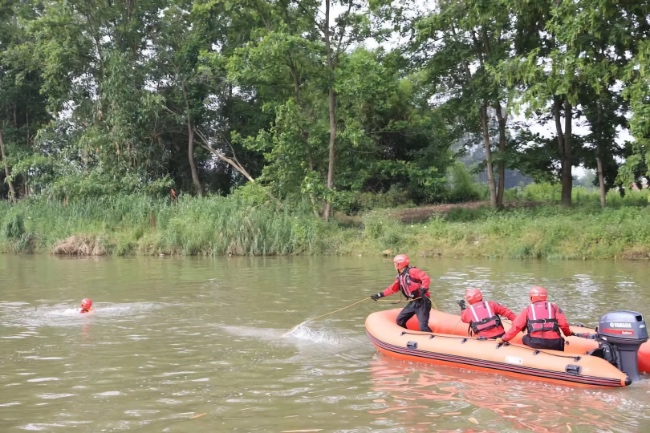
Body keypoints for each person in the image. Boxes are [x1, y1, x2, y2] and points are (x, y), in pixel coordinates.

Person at [496, 286, 573, 351]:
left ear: (532, 297)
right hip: (555, 343)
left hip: (536, 342)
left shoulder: (528, 309)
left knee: (524, 338)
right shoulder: (555, 308)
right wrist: (568, 333)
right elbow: (563, 325)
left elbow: (516, 327)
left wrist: (503, 339)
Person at [370, 254, 432, 332]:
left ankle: (433, 340)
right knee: (400, 321)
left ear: (399, 264)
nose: (394, 265)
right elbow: (392, 289)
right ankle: (407, 337)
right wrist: (379, 295)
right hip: (413, 303)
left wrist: (424, 287)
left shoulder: (413, 271)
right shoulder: (400, 277)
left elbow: (425, 278)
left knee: (423, 327)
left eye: (395, 263)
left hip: (423, 302)